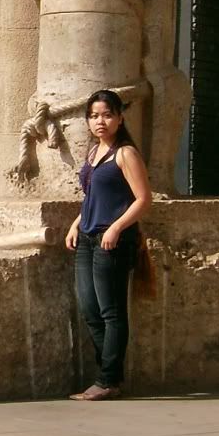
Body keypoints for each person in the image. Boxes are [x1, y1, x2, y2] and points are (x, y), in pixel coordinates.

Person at [65, 89, 153, 401]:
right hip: (88, 238)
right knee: (90, 309)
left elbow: (144, 200)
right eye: (93, 115)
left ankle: (107, 380)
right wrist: (77, 223)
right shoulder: (93, 153)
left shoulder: (125, 153)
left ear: (119, 117)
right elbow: (93, 196)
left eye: (106, 114)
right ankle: (110, 377)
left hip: (112, 241)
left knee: (111, 311)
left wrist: (116, 227)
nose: (100, 121)